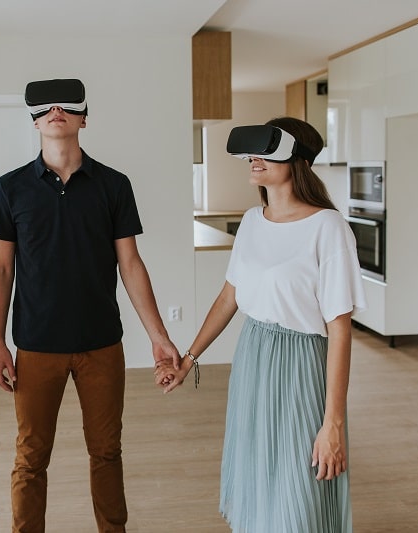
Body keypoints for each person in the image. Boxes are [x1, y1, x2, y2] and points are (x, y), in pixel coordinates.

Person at [155, 117, 367, 532]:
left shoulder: (328, 227)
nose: (254, 159)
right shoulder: (253, 220)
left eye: (267, 151)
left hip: (301, 359)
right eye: (252, 152)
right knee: (258, 467)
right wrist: (187, 359)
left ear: (297, 160)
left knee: (300, 479)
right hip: (253, 354)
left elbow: (340, 329)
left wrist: (334, 423)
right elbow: (228, 297)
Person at [0, 78, 180, 532]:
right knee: (31, 456)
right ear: (35, 121)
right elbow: (0, 268)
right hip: (35, 345)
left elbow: (130, 263)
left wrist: (158, 336)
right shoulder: (10, 187)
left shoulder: (114, 185)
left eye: (67, 106)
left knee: (107, 451)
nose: (56, 110)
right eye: (45, 108)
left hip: (101, 344)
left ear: (83, 118)